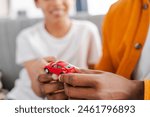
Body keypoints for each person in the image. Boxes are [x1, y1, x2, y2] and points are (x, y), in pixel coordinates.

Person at [38, 0, 150, 100]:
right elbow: (105, 74)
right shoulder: (115, 11)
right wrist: (82, 93)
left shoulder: (87, 29)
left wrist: (138, 91)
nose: (56, 3)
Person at [6, 0, 101, 99]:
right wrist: (41, 80)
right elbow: (37, 89)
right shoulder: (26, 36)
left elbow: (95, 74)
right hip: (24, 99)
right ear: (37, 3)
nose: (56, 2)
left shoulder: (88, 30)